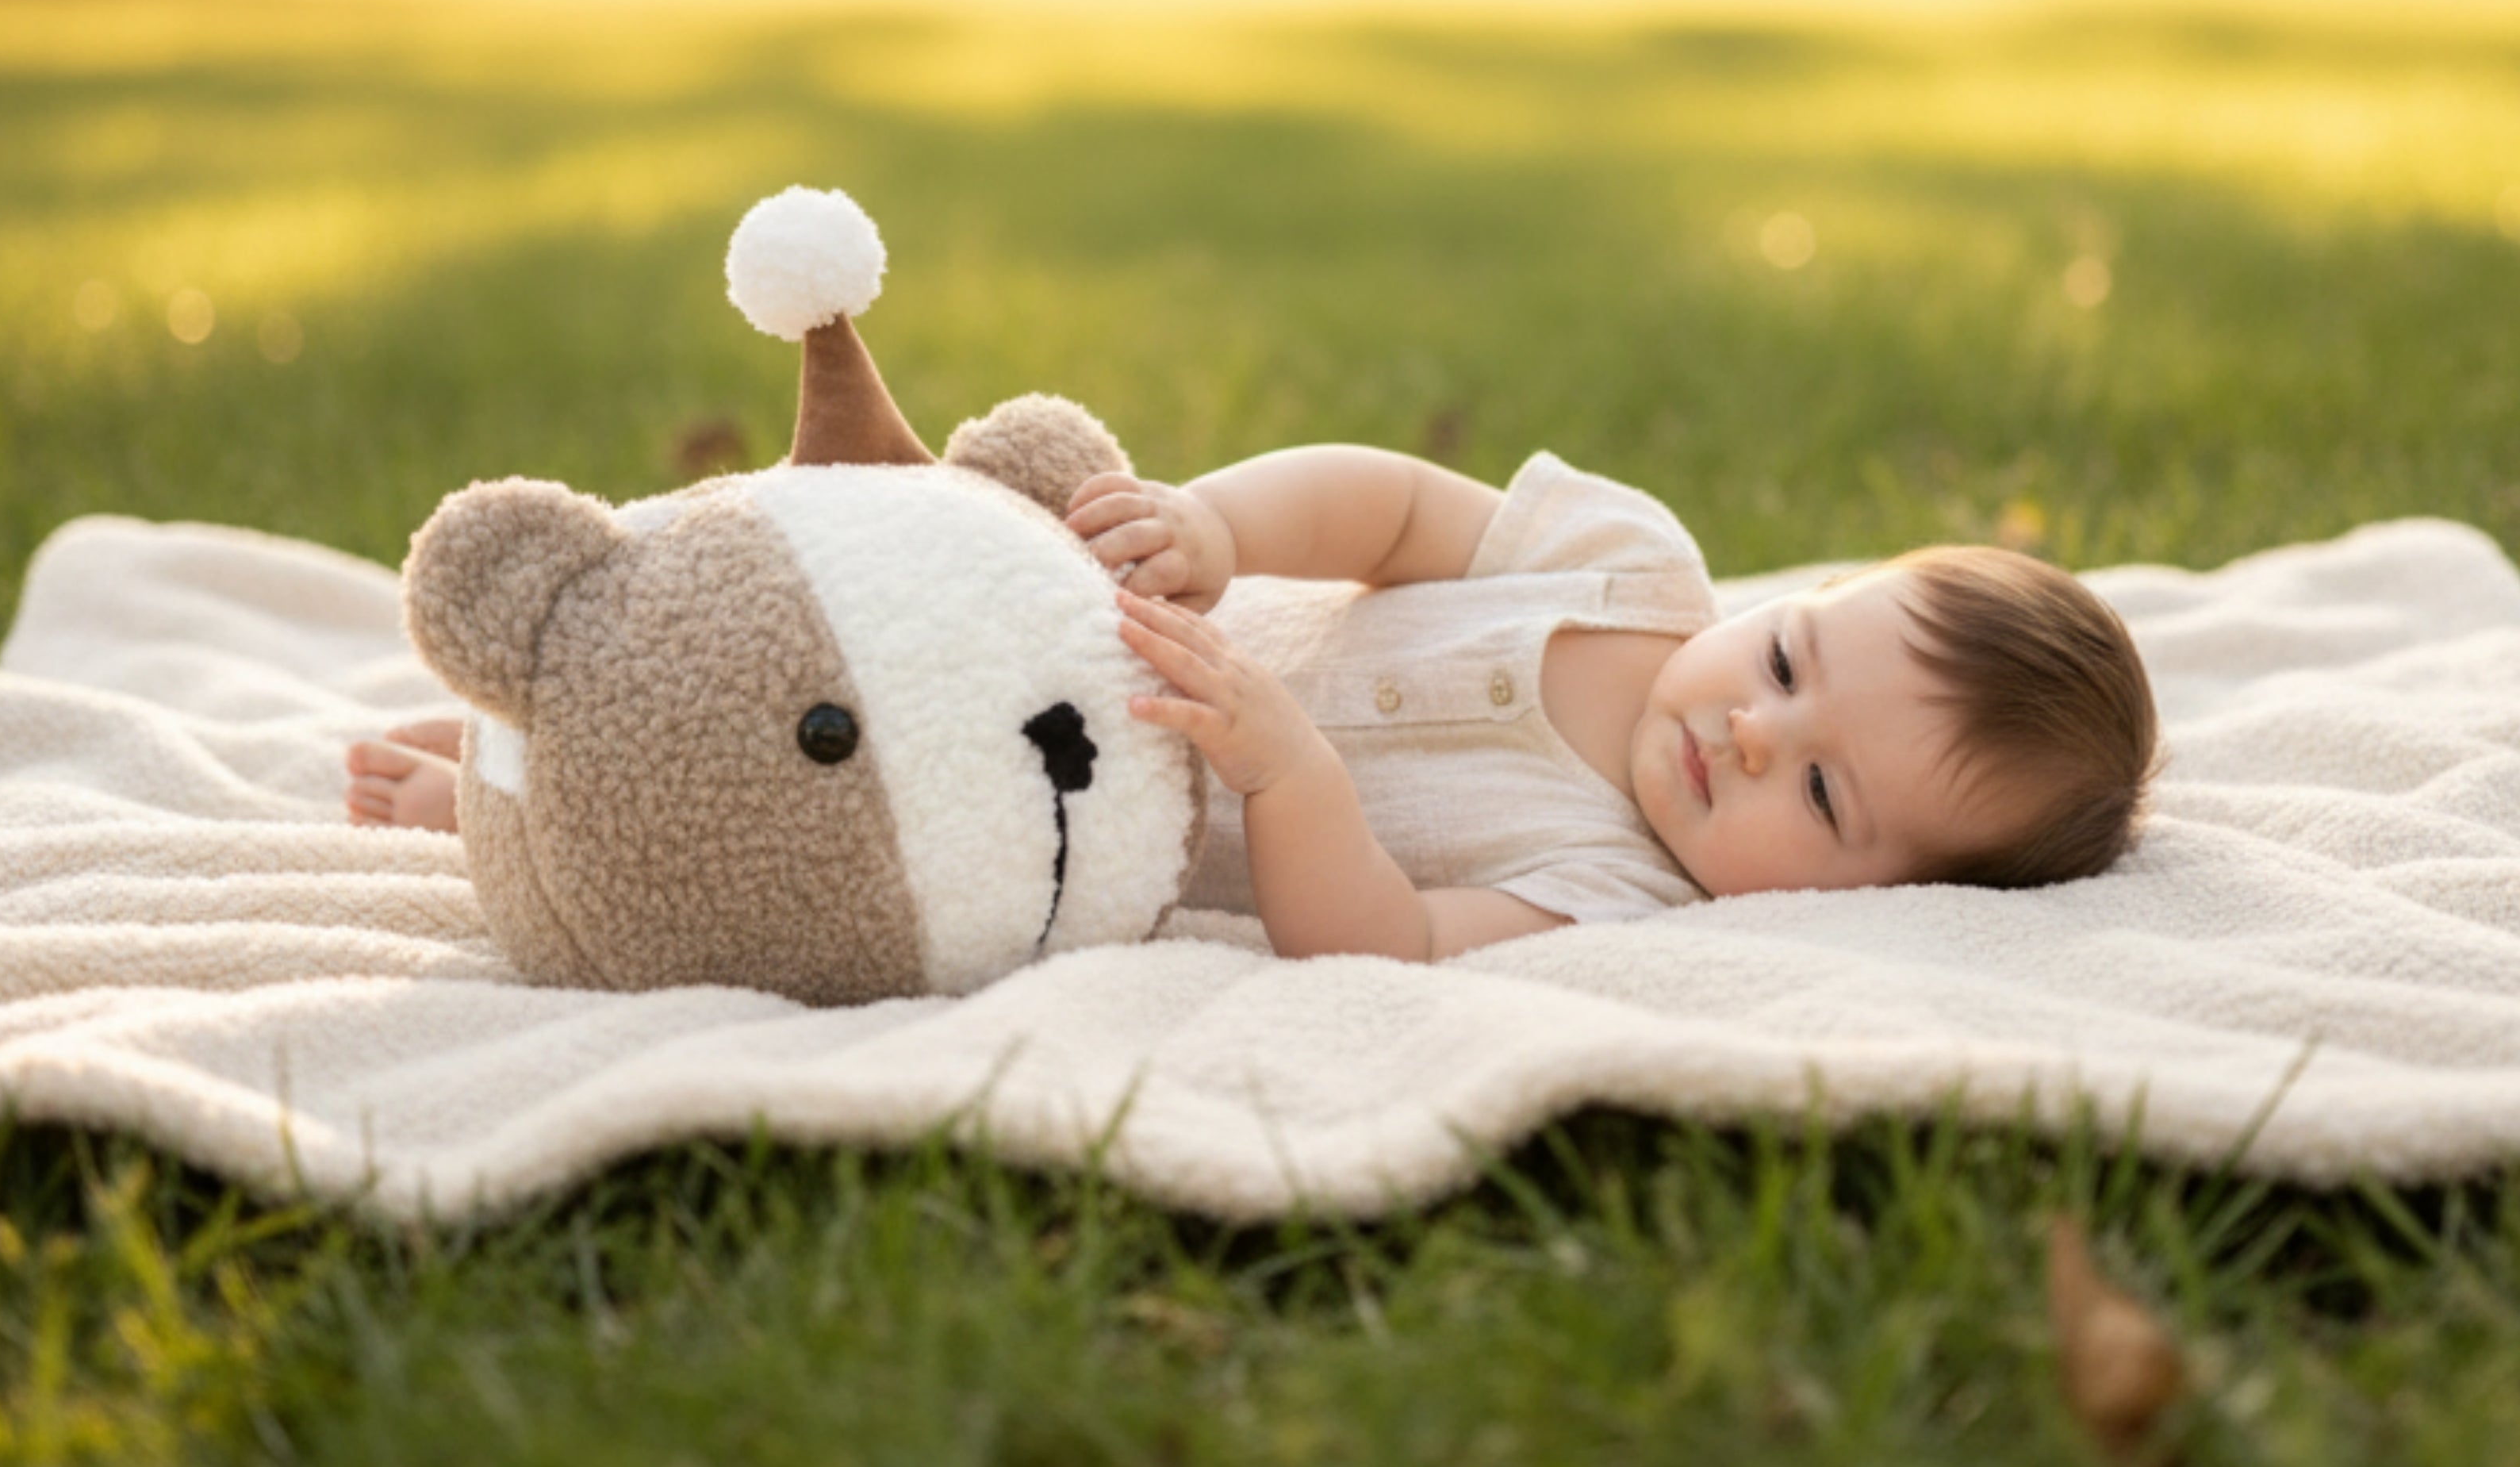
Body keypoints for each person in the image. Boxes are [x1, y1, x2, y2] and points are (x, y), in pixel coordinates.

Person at [349, 444, 2158, 966]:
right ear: (1786, 606)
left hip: (1061, 804)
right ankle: (552, 701)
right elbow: (1382, 500)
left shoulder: (1614, 892)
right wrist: (1212, 524)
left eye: (1825, 799)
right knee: (847, 582)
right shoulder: (1623, 568)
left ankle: (512, 810)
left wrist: (1290, 777)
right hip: (1101, 618)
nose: (1752, 731)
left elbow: (1381, 940)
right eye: (1787, 663)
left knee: (826, 802)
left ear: (1888, 895)